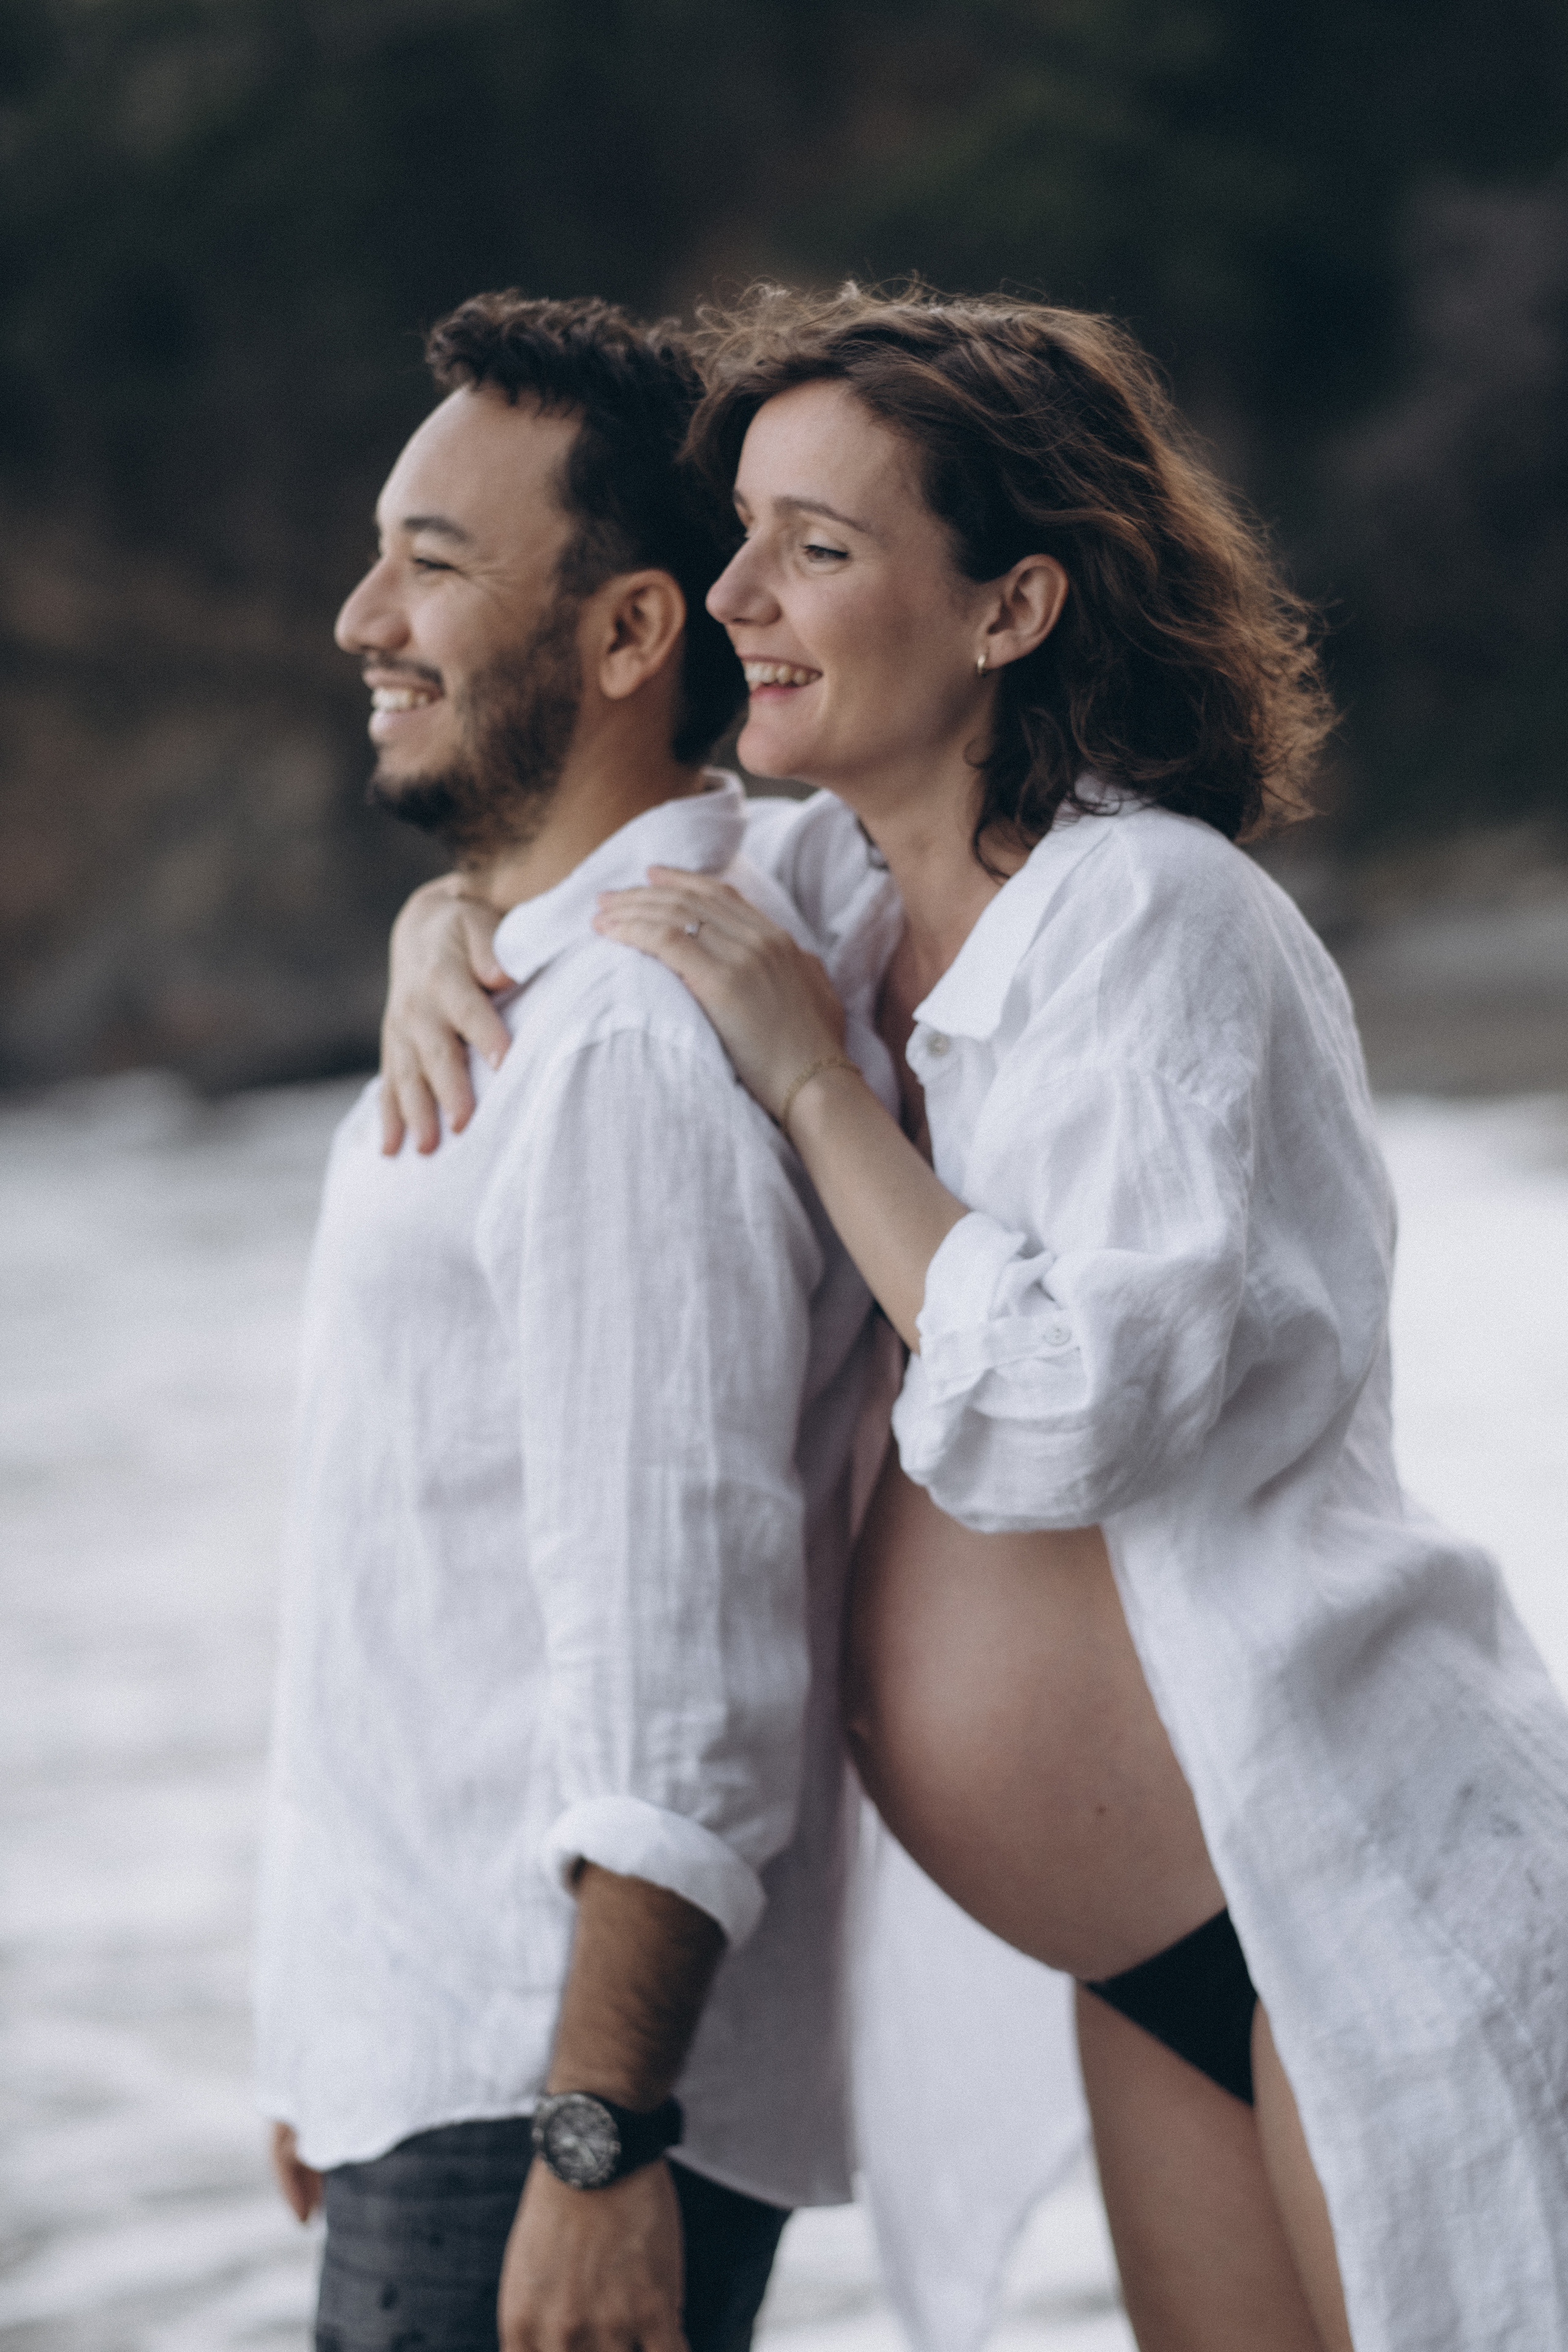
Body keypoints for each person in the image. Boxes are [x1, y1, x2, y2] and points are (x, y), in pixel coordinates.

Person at [386, 285, 1568, 2352]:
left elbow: (1066, 1399)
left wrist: (820, 1097)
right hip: (1148, 1955)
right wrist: (440, 924)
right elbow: (585, 860)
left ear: (1010, 609)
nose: (740, 588)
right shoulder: (839, 892)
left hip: (1346, 1894)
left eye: (818, 551)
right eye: (742, 532)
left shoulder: (1157, 923)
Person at [255, 290, 897, 2352]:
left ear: (631, 640)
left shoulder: (627, 1034)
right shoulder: (535, 977)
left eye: (433, 567)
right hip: (444, 2062)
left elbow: (684, 1631)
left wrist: (596, 2138)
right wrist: (337, 2023)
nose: (364, 616)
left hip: (548, 2105)